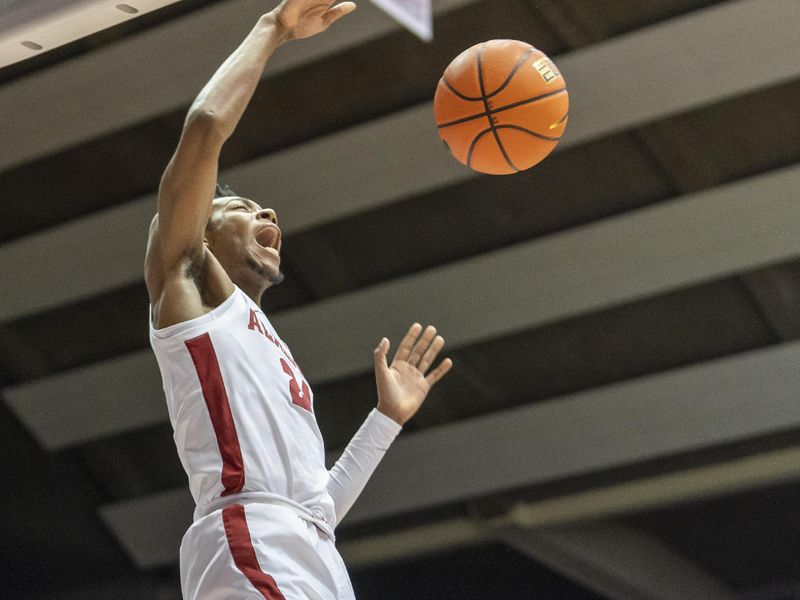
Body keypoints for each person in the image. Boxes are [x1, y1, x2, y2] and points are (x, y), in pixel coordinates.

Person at [143, 1, 453, 598]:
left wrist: (385, 422)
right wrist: (274, 29)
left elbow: (316, 510)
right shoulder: (190, 292)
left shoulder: (269, 346)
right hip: (248, 537)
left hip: (309, 552)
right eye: (241, 207)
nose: (268, 213)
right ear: (198, 233)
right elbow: (206, 127)